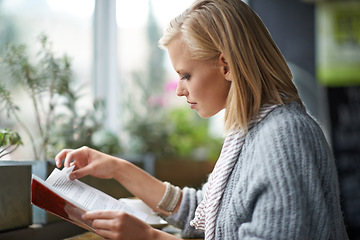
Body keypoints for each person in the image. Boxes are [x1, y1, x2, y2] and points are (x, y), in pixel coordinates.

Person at [55, 0, 349, 239]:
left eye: (186, 75)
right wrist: (117, 168)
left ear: (226, 65)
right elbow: (205, 214)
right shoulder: (251, 133)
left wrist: (151, 238)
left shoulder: (284, 137)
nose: (180, 90)